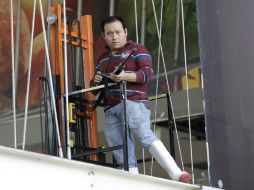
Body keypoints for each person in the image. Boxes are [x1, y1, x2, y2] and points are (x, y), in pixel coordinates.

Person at [92, 16, 191, 183]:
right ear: (103, 36)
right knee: (119, 147)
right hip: (110, 107)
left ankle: (177, 173)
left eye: (117, 32)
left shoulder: (137, 49)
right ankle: (133, 182)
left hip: (133, 101)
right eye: (109, 34)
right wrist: (94, 81)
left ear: (125, 32)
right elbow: (96, 86)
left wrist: (124, 76)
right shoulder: (102, 59)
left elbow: (147, 74)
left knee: (144, 135)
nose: (114, 37)